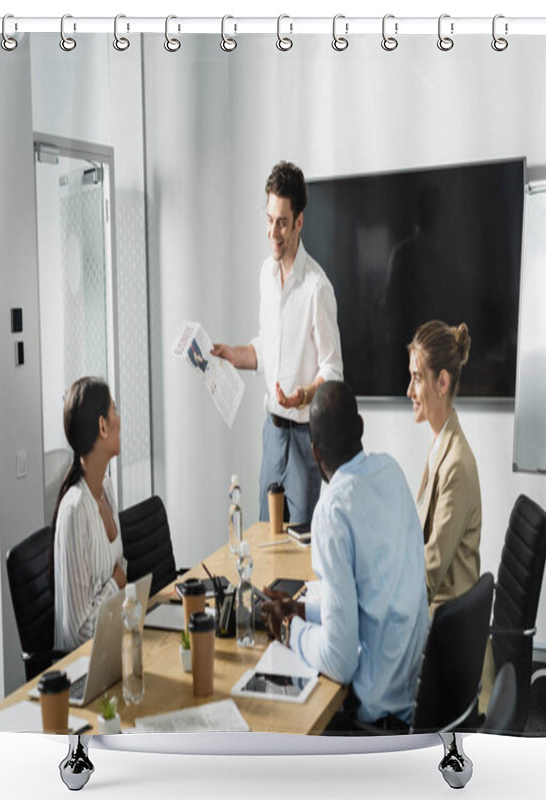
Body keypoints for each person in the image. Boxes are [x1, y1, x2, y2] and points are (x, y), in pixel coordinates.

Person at [262, 381, 429, 730]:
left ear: (314, 452)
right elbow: (370, 603)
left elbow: (339, 661)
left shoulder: (333, 511)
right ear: (361, 428)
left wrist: (289, 628)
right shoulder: (391, 471)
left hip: (378, 715)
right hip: (414, 688)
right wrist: (302, 609)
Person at [211, 161, 343, 524]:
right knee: (265, 539)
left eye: (282, 222)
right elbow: (265, 347)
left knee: (300, 544)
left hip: (305, 436)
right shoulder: (265, 277)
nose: (273, 231)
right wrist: (231, 355)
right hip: (272, 432)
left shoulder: (317, 288)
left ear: (299, 221)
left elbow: (333, 371)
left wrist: (302, 395)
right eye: (269, 219)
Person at [407, 320, 495, 710]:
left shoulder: (456, 463)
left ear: (441, 383)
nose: (410, 391)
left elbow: (429, 574)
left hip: (452, 640)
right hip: (444, 624)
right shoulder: (441, 444)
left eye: (416, 379)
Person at [51, 377, 127, 652]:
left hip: (112, 647)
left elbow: (122, 572)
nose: (119, 419)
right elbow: (79, 634)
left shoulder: (106, 488)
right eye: (114, 410)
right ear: (102, 426)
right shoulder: (74, 511)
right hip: (82, 671)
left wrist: (115, 587)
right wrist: (115, 586)